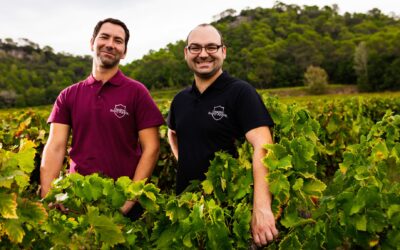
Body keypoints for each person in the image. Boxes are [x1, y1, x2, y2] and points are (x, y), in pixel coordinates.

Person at [167, 24, 278, 246]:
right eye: (195, 48)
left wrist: (262, 207)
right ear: (186, 53)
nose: (203, 54)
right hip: (186, 207)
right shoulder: (180, 100)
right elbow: (172, 134)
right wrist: (187, 163)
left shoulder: (240, 92)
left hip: (229, 212)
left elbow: (264, 146)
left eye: (211, 47)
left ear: (223, 51)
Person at [40, 18, 164, 217]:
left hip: (123, 200)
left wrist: (131, 198)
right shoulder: (68, 95)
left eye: (118, 40)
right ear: (92, 43)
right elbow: (55, 147)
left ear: (124, 51)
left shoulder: (137, 92)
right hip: (78, 200)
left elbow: (152, 147)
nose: (110, 44)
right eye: (104, 37)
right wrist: (50, 195)